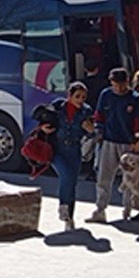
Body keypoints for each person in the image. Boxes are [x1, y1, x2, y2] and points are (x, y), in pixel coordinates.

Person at [86, 68, 139, 223]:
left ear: (128, 82)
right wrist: (99, 133)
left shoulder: (135, 99)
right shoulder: (105, 95)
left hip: (128, 144)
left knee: (130, 180)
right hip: (108, 141)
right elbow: (99, 116)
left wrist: (138, 142)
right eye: (116, 85)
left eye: (122, 85)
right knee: (103, 176)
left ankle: (129, 210)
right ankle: (100, 209)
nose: (119, 89)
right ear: (111, 83)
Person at [37, 81, 96, 231]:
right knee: (66, 176)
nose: (80, 100)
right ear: (69, 96)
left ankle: (69, 217)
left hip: (74, 149)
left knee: (72, 183)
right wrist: (43, 127)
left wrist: (90, 130)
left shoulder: (86, 111)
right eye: (77, 96)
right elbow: (44, 120)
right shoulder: (58, 106)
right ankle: (63, 206)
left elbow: (92, 131)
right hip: (57, 149)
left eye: (83, 97)